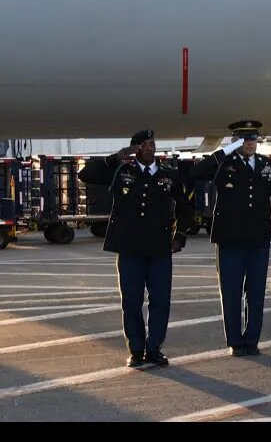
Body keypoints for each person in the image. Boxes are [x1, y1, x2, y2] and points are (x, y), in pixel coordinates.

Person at [79, 128, 195, 368]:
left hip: (159, 248)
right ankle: (136, 349)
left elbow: (185, 208)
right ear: (135, 149)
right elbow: (85, 174)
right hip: (130, 249)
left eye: (152, 144)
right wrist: (115, 158)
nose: (150, 148)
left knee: (160, 301)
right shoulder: (122, 171)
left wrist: (180, 237)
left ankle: (154, 348)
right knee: (131, 302)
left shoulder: (168, 175)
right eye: (144, 144)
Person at [191, 120, 271, 357]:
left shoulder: (267, 166)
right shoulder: (224, 164)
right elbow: (197, 172)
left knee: (255, 295)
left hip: (258, 240)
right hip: (230, 240)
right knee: (231, 293)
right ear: (236, 141)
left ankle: (252, 340)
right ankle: (235, 340)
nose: (250, 143)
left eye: (253, 138)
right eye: (244, 139)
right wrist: (222, 153)